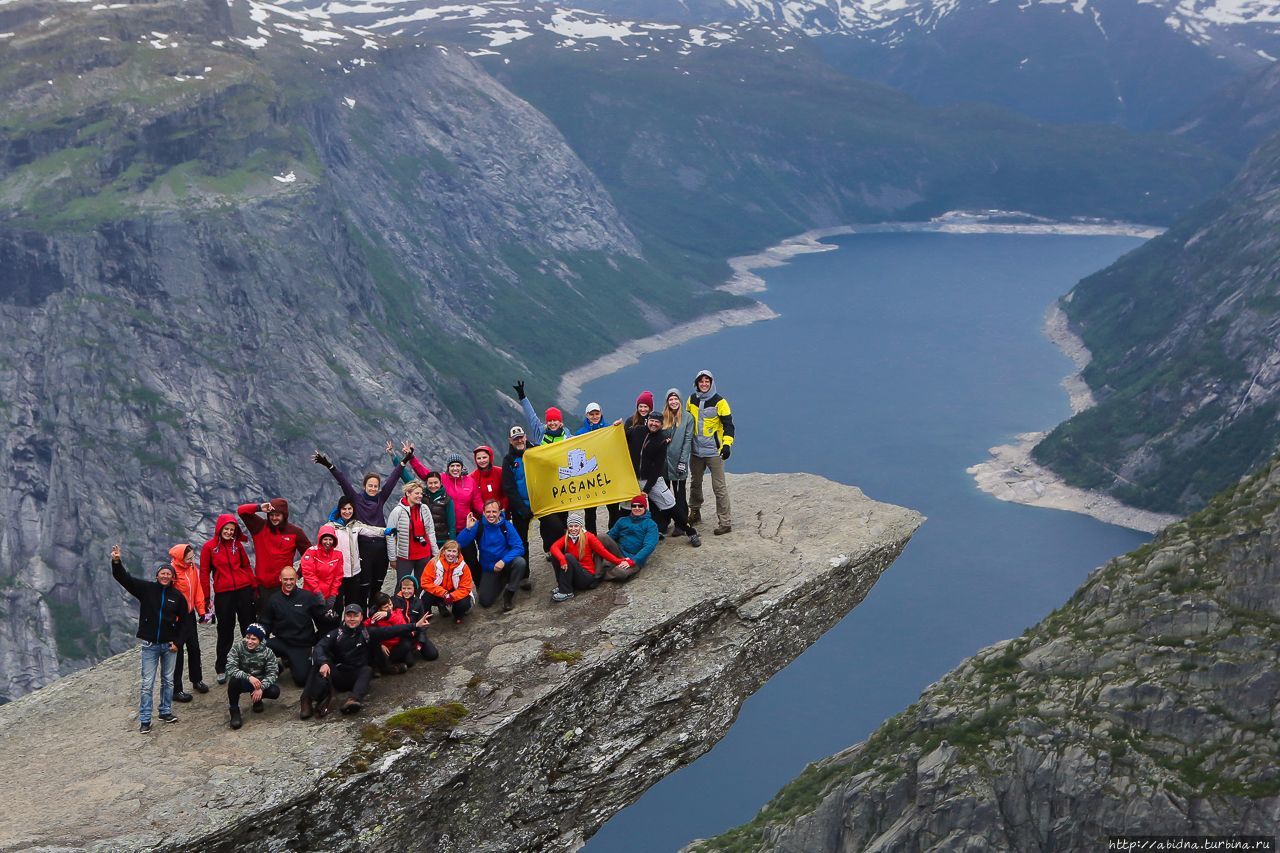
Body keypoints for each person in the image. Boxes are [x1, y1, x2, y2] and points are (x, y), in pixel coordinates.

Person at [313, 443, 410, 610]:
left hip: (381, 549)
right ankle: (361, 616)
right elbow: (343, 481)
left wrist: (403, 461)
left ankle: (373, 615)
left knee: (377, 585)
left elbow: (393, 480)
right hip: (363, 548)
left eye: (375, 486)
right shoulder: (356, 499)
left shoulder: (380, 498)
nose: (373, 488)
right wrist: (329, 465)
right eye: (370, 485)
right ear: (364, 486)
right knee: (363, 586)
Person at [301, 603, 428, 718]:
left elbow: (390, 631)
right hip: (338, 673)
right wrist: (323, 663)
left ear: (361, 617)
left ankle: (353, 700)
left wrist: (415, 625)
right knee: (317, 663)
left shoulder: (367, 633)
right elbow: (319, 647)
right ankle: (306, 700)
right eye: (349, 616)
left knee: (367, 670)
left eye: (355, 616)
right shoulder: (336, 634)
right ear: (344, 618)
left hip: (356, 676)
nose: (352, 619)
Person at [111, 544, 187, 733]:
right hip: (150, 645)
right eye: (162, 573)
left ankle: (165, 711)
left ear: (172, 578)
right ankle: (145, 719)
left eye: (168, 574)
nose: (165, 576)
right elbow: (124, 579)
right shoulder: (146, 589)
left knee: (168, 681)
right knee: (147, 683)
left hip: (169, 646)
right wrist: (116, 561)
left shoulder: (177, 597)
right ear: (157, 576)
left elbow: (185, 622)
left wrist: (178, 642)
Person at [199, 513, 256, 685]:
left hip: (243, 590)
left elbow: (246, 566)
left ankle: (251, 662)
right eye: (227, 529)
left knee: (249, 627)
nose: (229, 532)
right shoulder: (209, 547)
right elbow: (204, 572)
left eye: (232, 530)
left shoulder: (237, 545)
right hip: (224, 594)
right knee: (225, 631)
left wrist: (253, 587)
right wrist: (206, 597)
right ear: (220, 529)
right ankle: (221, 667)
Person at [514, 380, 569, 555]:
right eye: (550, 420)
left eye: (555, 421)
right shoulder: (540, 432)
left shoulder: (568, 437)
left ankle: (561, 546)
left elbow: (586, 442)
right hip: (544, 485)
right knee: (546, 519)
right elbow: (531, 416)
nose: (552, 423)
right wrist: (523, 397)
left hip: (562, 483)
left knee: (562, 517)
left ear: (561, 423)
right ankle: (548, 548)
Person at [635, 411, 701, 546]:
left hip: (652, 480)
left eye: (657, 422)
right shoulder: (636, 431)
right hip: (633, 479)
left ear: (661, 424)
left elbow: (657, 468)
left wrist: (646, 489)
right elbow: (621, 437)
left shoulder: (661, 440)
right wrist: (615, 426)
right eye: (651, 420)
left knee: (671, 505)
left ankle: (690, 532)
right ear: (647, 420)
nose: (653, 424)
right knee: (626, 509)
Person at [238, 498, 310, 616]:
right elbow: (241, 511)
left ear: (284, 515)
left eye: (278, 515)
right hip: (263, 587)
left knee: (285, 621)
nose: (274, 518)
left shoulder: (295, 532)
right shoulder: (259, 527)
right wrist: (260, 508)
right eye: (271, 515)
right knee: (264, 622)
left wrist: (298, 574)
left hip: (283, 586)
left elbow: (310, 554)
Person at [456, 499, 529, 611]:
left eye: (494, 512)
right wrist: (468, 529)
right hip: (490, 568)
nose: (491, 515)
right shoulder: (479, 526)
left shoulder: (506, 526)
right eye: (488, 512)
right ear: (484, 513)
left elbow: (519, 547)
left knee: (520, 562)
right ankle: (502, 580)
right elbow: (459, 544)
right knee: (485, 601)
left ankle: (509, 593)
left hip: (506, 563)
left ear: (499, 512)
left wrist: (503, 561)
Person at [261, 567, 328, 687]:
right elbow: (266, 623)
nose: (288, 582)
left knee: (301, 680)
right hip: (282, 641)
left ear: (297, 578)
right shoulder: (273, 600)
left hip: (301, 644)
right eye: (285, 579)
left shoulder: (307, 597)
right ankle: (276, 667)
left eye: (291, 579)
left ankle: (293, 661)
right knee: (255, 647)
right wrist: (257, 635)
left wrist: (319, 641)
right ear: (280, 579)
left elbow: (321, 620)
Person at [688, 369, 734, 535]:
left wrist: (727, 445)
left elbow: (729, 425)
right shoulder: (691, 399)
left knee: (719, 487)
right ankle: (694, 512)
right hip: (696, 451)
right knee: (695, 483)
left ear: (712, 382)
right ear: (697, 383)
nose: (704, 384)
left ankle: (725, 521)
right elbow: (687, 422)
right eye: (701, 381)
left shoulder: (720, 402)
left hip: (714, 451)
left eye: (707, 381)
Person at [549, 512, 633, 602]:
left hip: (586, 576)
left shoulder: (589, 537)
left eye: (576, 526)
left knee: (568, 557)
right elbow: (553, 547)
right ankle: (562, 585)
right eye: (571, 526)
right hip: (575, 573)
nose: (573, 529)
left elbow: (604, 552)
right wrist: (562, 560)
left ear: (581, 526)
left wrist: (620, 561)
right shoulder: (567, 537)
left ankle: (566, 591)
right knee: (556, 556)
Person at [167, 543, 208, 703]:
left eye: (192, 558)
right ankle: (176, 690)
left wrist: (202, 611)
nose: (191, 560)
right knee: (178, 653)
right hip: (176, 619)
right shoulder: (172, 573)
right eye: (188, 558)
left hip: (189, 615)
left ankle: (196, 680)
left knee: (195, 648)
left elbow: (197, 590)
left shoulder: (191, 569)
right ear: (180, 558)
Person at [224, 623, 280, 730]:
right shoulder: (238, 647)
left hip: (259, 683)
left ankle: (256, 699)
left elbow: (273, 673)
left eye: (254, 639)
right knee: (233, 682)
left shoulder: (268, 652)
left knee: (274, 691)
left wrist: (261, 688)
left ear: (260, 640)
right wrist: (248, 677)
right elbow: (230, 667)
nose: (249, 641)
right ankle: (234, 710)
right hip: (244, 680)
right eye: (247, 637)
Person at [386, 479, 438, 584]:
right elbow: (390, 535)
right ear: (408, 493)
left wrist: (435, 553)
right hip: (405, 557)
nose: (420, 496)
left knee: (422, 584)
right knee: (402, 585)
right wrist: (392, 558)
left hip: (424, 555)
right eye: (416, 493)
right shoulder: (397, 511)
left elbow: (430, 531)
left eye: (421, 493)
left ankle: (419, 601)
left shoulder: (424, 509)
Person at [603, 494, 661, 580]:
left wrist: (633, 561)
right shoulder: (623, 520)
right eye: (634, 506)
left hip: (634, 558)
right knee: (602, 537)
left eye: (640, 506)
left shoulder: (651, 525)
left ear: (645, 507)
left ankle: (606, 571)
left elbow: (649, 546)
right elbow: (610, 536)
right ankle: (598, 572)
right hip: (618, 552)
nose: (637, 508)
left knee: (620, 572)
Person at [662, 388, 694, 537]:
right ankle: (664, 521)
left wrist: (683, 461)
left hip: (678, 463)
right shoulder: (663, 417)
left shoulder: (688, 418)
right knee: (664, 494)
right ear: (667, 402)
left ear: (680, 401)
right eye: (670, 399)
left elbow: (687, 441)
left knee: (680, 494)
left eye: (676, 399)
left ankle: (681, 524)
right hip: (664, 464)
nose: (673, 402)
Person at [420, 539, 474, 624]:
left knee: (464, 603)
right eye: (449, 551)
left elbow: (466, 588)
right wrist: (443, 593)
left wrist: (452, 596)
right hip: (439, 592)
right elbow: (425, 582)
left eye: (454, 551)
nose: (451, 554)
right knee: (426, 597)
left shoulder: (463, 566)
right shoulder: (434, 562)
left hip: (455, 592)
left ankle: (457, 614)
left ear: (458, 553)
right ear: (444, 551)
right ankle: (427, 614)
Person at [575, 401, 610, 534]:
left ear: (601, 413)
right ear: (587, 415)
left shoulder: (609, 429)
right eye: (592, 414)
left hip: (606, 474)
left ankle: (613, 536)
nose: (595, 416)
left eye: (597, 413)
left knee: (612, 507)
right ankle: (592, 538)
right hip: (589, 476)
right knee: (590, 510)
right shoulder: (580, 433)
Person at [501, 426, 533, 564]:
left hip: (541, 503)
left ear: (525, 437)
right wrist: (522, 508)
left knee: (553, 528)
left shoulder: (537, 451)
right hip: (521, 507)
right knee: (521, 539)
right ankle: (524, 575)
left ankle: (551, 552)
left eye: (521, 437)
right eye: (515, 439)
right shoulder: (508, 460)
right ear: (510, 441)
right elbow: (509, 488)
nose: (519, 440)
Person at [365, 593, 415, 674]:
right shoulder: (375, 617)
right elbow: (365, 629)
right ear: (379, 609)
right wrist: (380, 645)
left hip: (396, 645)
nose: (390, 608)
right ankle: (385, 667)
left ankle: (385, 664)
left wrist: (389, 615)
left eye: (390, 604)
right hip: (384, 647)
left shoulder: (396, 611)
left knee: (410, 660)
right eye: (385, 607)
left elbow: (403, 625)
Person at [393, 576, 440, 660]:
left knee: (433, 655)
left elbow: (422, 622)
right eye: (404, 588)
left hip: (416, 634)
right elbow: (379, 606)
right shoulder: (394, 600)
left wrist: (421, 641)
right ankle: (408, 649)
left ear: (414, 589)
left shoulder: (419, 602)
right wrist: (383, 612)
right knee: (410, 662)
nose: (406, 591)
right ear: (400, 588)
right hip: (403, 635)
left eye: (409, 588)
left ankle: (415, 646)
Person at [300, 524, 344, 609]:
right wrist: (318, 593)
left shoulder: (338, 555)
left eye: (330, 539)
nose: (328, 542)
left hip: (328, 595)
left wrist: (333, 596)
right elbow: (308, 574)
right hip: (311, 594)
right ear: (320, 539)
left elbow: (338, 577)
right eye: (325, 539)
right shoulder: (311, 552)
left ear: (334, 540)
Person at [421, 471, 456, 547]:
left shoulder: (447, 500)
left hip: (441, 540)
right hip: (426, 540)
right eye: (430, 483)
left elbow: (451, 525)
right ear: (426, 484)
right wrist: (400, 464)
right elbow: (408, 481)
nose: (433, 486)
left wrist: (452, 544)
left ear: (440, 483)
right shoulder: (421, 496)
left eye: (435, 483)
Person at [470, 444, 505, 513]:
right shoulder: (472, 477)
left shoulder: (500, 472)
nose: (482, 460)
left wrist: (504, 507)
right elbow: (474, 499)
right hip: (482, 516)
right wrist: (484, 512)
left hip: (502, 513)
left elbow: (507, 492)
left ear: (490, 457)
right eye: (479, 458)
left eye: (484, 457)